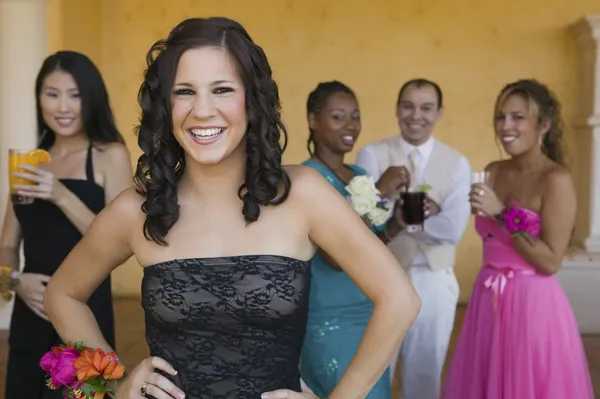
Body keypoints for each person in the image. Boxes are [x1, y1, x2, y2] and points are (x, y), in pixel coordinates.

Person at [43, 17, 420, 399]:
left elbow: (399, 299)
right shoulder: (137, 209)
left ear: (252, 102)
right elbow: (62, 294)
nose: (203, 110)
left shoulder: (303, 194)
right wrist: (115, 383)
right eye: (184, 91)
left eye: (222, 89)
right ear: (164, 106)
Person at [441, 79, 594, 399]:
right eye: (501, 116)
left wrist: (500, 215)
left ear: (543, 125)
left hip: (532, 304)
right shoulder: (493, 170)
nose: (505, 126)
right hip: (487, 298)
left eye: (517, 117)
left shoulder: (556, 180)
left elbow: (550, 262)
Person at [0, 50, 133, 399]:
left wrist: (60, 194)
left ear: (91, 99)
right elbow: (8, 244)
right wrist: (14, 282)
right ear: (39, 98)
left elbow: (124, 241)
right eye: (52, 93)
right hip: (31, 312)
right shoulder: (29, 163)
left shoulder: (110, 155)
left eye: (75, 95)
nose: (63, 107)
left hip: (85, 313)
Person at [355, 78, 471, 399]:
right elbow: (359, 219)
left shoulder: (457, 163)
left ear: (439, 113)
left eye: (426, 107)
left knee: (425, 373)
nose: (415, 115)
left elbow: (452, 230)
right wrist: (387, 196)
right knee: (375, 370)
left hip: (434, 278)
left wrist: (408, 219)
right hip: (380, 278)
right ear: (397, 109)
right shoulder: (372, 154)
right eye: (408, 106)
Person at [299, 81, 391, 398]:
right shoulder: (307, 179)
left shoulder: (360, 175)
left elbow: (372, 248)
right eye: (338, 117)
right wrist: (382, 193)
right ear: (313, 120)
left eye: (355, 116)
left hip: (372, 311)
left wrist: (398, 223)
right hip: (329, 317)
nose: (350, 125)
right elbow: (335, 257)